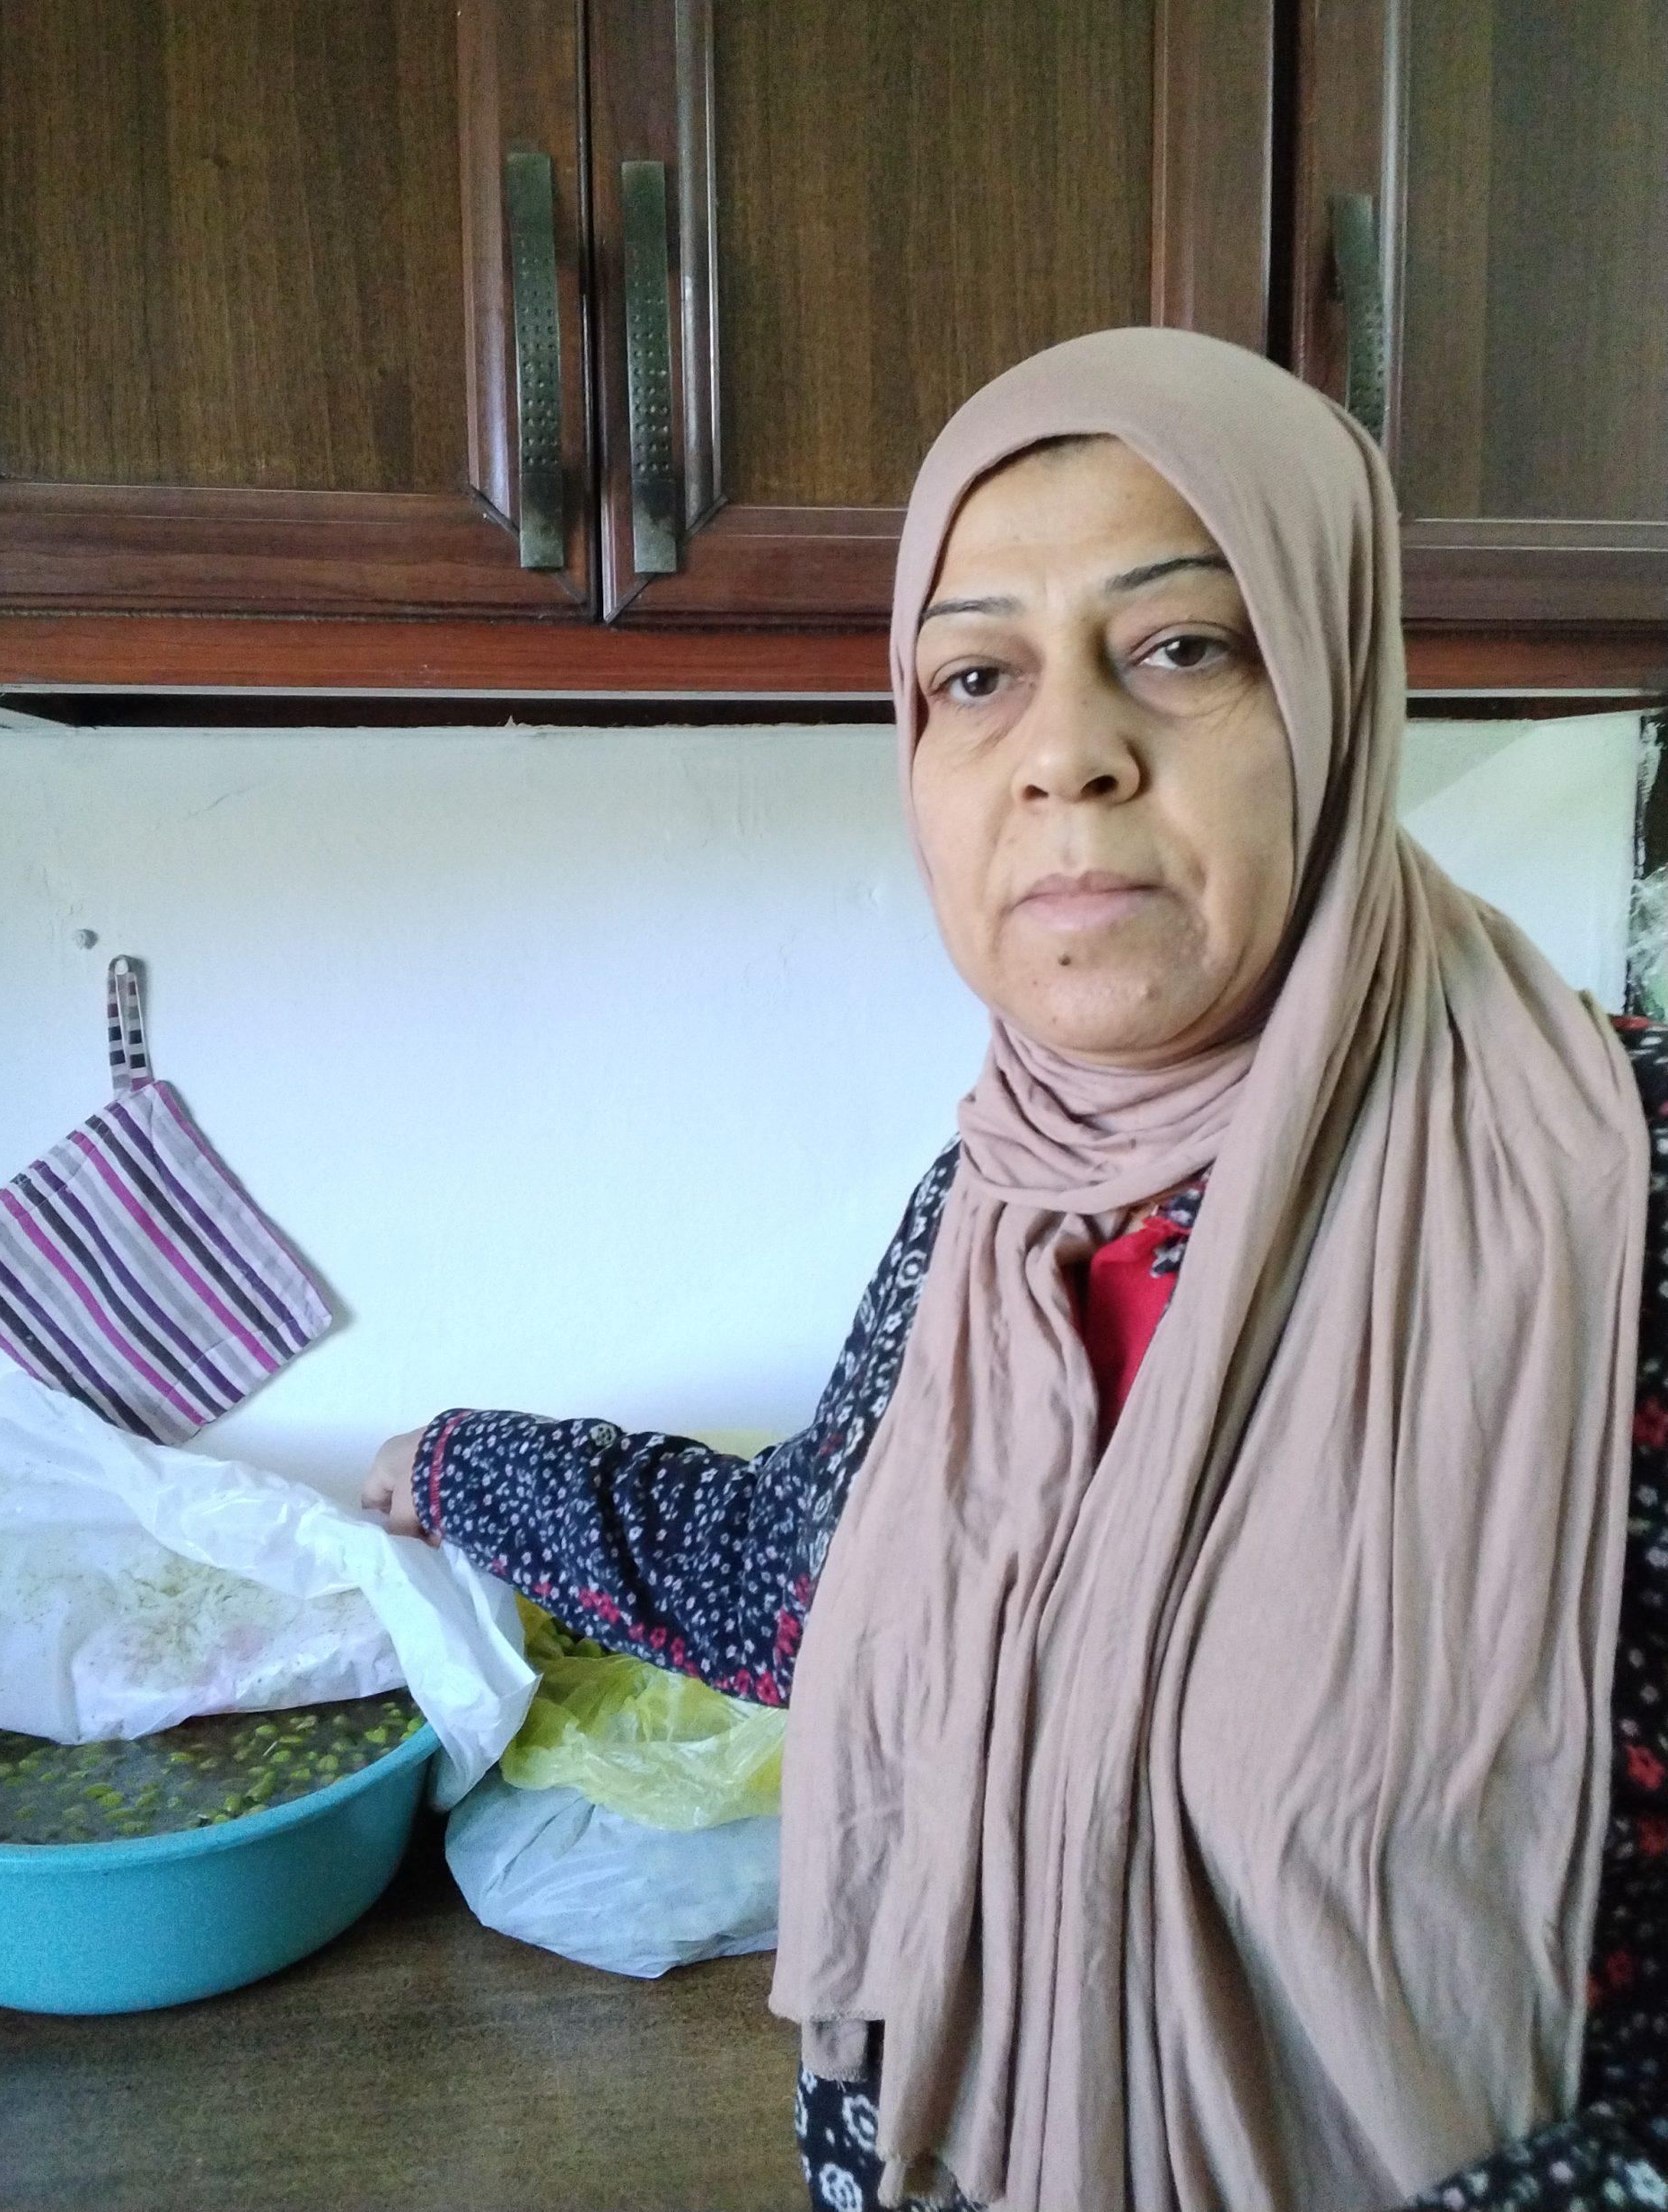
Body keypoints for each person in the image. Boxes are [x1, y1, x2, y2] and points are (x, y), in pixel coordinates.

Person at [362, 328, 1668, 2212]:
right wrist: (460, 1466)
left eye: (1184, 646)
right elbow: (807, 1575)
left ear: (1333, 680)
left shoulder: (1617, 1194)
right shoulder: (995, 1201)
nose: (1066, 752)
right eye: (975, 676)